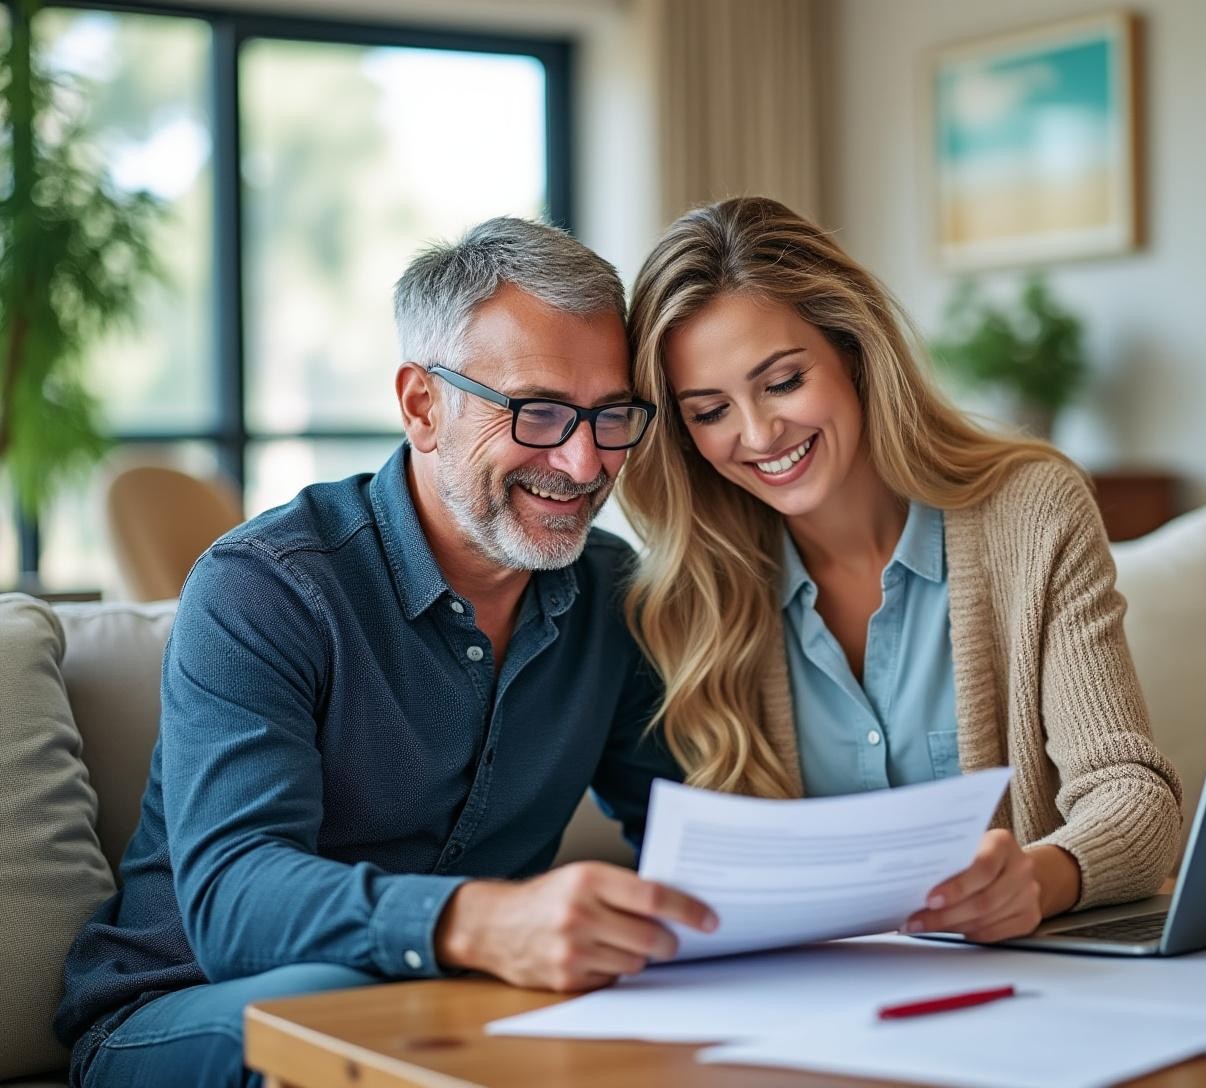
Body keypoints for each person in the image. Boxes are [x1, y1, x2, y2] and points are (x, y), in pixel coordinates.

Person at [55, 218, 715, 1088]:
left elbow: (692, 831)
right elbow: (234, 902)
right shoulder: (266, 588)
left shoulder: (609, 592)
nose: (584, 461)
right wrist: (477, 923)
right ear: (421, 405)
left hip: (449, 1013)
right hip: (183, 1009)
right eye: (539, 411)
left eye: (610, 416)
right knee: (340, 1017)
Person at [619, 196, 1183, 942]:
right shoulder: (694, 590)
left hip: (1024, 982)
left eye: (783, 382)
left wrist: (1039, 881)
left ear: (853, 351)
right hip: (809, 1006)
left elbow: (1134, 796)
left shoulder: (1031, 510)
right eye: (709, 410)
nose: (758, 434)